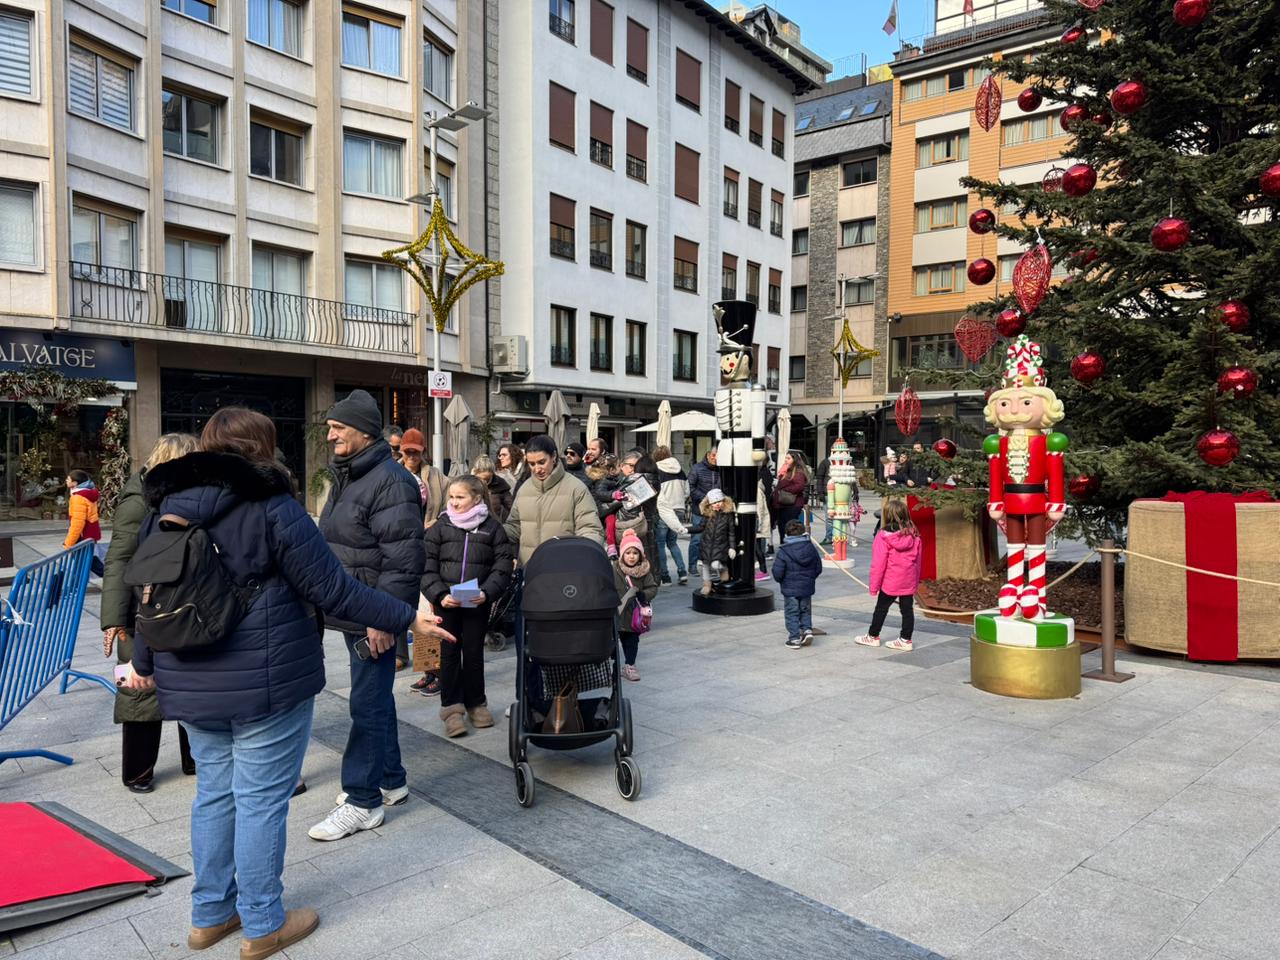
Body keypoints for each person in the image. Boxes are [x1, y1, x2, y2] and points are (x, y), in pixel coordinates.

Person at [123, 407, 453, 960]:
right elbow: (333, 589)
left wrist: (145, 663)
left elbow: (148, 595)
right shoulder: (272, 506)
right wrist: (406, 618)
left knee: (214, 795)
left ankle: (210, 916)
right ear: (263, 449)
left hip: (192, 679)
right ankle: (262, 924)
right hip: (265, 679)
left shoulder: (166, 508)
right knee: (259, 802)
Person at [312, 389, 426, 842]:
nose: (331, 435)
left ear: (363, 431)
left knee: (366, 702)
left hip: (371, 613)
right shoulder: (351, 473)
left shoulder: (391, 481)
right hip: (353, 607)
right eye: (330, 427)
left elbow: (403, 560)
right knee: (375, 697)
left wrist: (383, 619)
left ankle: (363, 801)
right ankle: (392, 780)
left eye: (339, 427)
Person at [101, 433, 199, 793]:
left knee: (192, 682)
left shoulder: (191, 497)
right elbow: (118, 559)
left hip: (183, 603)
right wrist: (113, 620)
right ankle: (138, 771)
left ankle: (195, 759)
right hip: (140, 607)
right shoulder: (138, 500)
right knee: (139, 690)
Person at [421, 475, 514, 737]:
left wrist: (487, 592)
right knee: (449, 654)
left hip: (476, 602)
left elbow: (502, 566)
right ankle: (451, 709)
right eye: (451, 497)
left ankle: (476, 703)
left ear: (477, 498)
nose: (454, 502)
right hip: (446, 602)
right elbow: (426, 565)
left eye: (460, 497)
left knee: (473, 654)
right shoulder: (440, 526)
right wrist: (439, 594)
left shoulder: (493, 528)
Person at [503, 435, 603, 565]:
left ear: (554, 456)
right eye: (532, 464)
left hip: (564, 569)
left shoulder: (576, 488)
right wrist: (491, 531)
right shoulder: (524, 489)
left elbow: (590, 529)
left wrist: (582, 556)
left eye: (541, 462)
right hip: (529, 569)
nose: (537, 469)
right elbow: (515, 526)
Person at [855, 498, 923, 651]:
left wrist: (874, 586)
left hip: (891, 581)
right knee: (907, 610)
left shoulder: (883, 536)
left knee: (881, 608)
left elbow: (878, 564)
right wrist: (916, 581)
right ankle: (906, 639)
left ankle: (873, 636)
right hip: (908, 578)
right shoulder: (914, 534)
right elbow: (918, 561)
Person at [613, 529, 657, 681]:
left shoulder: (644, 571)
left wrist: (644, 594)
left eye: (635, 553)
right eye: (628, 553)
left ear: (641, 555)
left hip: (634, 616)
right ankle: (614, 666)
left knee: (631, 642)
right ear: (622, 554)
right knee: (613, 642)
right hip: (617, 613)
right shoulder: (614, 569)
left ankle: (630, 665)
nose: (631, 556)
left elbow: (652, 587)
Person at [772, 519, 823, 649]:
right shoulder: (811, 548)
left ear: (786, 534)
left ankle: (794, 638)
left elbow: (777, 572)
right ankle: (807, 630)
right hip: (806, 586)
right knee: (805, 610)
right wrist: (810, 578)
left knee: (792, 612)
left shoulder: (783, 551)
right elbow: (818, 568)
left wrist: (781, 580)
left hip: (790, 588)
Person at [652, 446, 689, 585]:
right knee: (672, 542)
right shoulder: (680, 471)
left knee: (660, 544)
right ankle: (682, 572)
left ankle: (665, 576)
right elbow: (687, 491)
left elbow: (655, 492)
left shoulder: (657, 470)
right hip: (679, 508)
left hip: (664, 510)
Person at [400, 428, 448, 528]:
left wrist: (435, 522)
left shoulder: (436, 475)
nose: (411, 456)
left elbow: (448, 505)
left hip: (430, 531)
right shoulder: (392, 474)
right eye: (408, 452)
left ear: (423, 451)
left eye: (416, 452)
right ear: (401, 451)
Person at [686, 447, 719, 578]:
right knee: (696, 539)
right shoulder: (697, 468)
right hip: (699, 510)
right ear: (708, 455)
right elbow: (689, 486)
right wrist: (705, 498)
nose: (715, 458)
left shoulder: (722, 469)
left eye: (718, 455)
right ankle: (692, 566)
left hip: (716, 509)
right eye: (713, 455)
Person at [63, 469, 104, 575]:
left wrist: (69, 543)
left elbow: (77, 524)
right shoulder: (87, 493)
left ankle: (115, 577)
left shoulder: (78, 498)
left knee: (86, 562)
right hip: (90, 534)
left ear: (75, 483)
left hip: (83, 536)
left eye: (68, 479)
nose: (66, 480)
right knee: (86, 562)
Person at [697, 488, 735, 597]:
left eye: (719, 501)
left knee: (716, 565)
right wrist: (686, 529)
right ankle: (707, 585)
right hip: (707, 545)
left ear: (724, 501)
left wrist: (732, 547)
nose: (717, 504)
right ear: (710, 504)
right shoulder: (707, 515)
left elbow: (731, 532)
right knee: (705, 566)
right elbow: (700, 527)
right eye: (714, 502)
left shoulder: (728, 515)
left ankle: (723, 577)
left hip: (721, 546)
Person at [585, 453, 622, 557]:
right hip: (603, 510)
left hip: (608, 508)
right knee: (611, 521)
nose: (621, 468)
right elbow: (600, 493)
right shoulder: (603, 481)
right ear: (612, 470)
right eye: (619, 465)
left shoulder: (612, 479)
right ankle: (611, 546)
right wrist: (613, 495)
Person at [771, 450, 810, 535]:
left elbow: (799, 486)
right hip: (782, 504)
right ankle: (784, 542)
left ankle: (790, 542)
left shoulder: (798, 472)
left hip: (792, 504)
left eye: (788, 458)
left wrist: (785, 490)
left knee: (790, 528)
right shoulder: (785, 470)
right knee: (782, 528)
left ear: (794, 460)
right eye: (785, 458)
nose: (786, 460)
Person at [471, 454, 513, 521]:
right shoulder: (467, 485)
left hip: (495, 523)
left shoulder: (500, 485)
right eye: (481, 479)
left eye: (487, 479)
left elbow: (511, 507)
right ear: (475, 473)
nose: (484, 482)